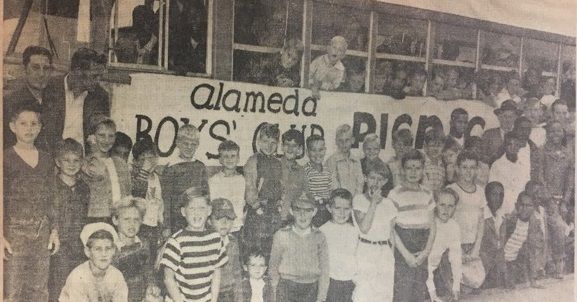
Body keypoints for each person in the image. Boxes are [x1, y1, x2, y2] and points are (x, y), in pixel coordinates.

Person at [4, 105, 59, 302]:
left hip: (41, 233)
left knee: (38, 289)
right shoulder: (5, 158)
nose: (29, 129)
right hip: (14, 234)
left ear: (40, 127)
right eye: (23, 123)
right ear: (12, 126)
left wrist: (54, 230)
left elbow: (52, 196)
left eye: (34, 124)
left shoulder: (46, 159)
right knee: (13, 289)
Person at [160, 189, 228, 302]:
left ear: (209, 210)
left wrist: (213, 300)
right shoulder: (177, 241)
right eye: (192, 208)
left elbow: (216, 273)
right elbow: (168, 278)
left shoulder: (215, 238)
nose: (197, 213)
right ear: (183, 212)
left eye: (202, 208)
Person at [388, 149, 436, 302]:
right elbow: (391, 229)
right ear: (402, 170)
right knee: (403, 291)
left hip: (422, 247)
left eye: (417, 168)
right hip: (403, 248)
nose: (413, 172)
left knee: (419, 290)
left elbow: (432, 227)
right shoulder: (394, 194)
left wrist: (425, 253)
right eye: (409, 168)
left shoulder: (427, 194)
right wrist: (406, 254)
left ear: (423, 170)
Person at [43, 47, 110, 153]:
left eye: (100, 76)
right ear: (78, 71)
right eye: (94, 76)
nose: (98, 81)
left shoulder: (100, 96)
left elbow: (102, 134)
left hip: (82, 161)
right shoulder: (49, 88)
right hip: (50, 156)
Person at [49, 139, 90, 302]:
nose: (71, 164)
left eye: (76, 160)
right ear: (58, 162)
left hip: (78, 245)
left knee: (78, 288)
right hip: (58, 247)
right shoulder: (51, 185)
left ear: (82, 162)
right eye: (66, 160)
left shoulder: (84, 188)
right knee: (58, 287)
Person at [269, 195, 330, 302]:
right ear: (291, 211)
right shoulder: (281, 235)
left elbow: (325, 270)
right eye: (298, 210)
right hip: (286, 288)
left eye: (307, 210)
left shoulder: (319, 236)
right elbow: (273, 266)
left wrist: (321, 298)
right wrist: (274, 294)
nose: (303, 215)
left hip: (311, 289)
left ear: (314, 212)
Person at [352, 162, 397, 302]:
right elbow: (364, 228)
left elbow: (391, 233)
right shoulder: (358, 199)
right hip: (365, 250)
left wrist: (391, 255)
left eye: (380, 179)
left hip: (384, 252)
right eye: (372, 178)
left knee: (384, 295)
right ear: (365, 178)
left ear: (385, 182)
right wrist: (373, 203)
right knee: (363, 294)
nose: (375, 182)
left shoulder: (389, 204)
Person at [447, 151, 488, 290]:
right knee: (456, 287)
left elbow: (481, 221)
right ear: (457, 168)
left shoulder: (480, 191)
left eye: (472, 168)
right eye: (464, 167)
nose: (468, 171)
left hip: (472, 245)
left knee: (476, 281)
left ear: (477, 170)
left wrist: (476, 248)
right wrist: (458, 249)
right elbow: (447, 222)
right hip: (455, 244)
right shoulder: (451, 190)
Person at [59, 223, 128, 302]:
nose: (104, 254)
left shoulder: (116, 276)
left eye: (108, 248)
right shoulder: (78, 277)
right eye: (98, 249)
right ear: (87, 252)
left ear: (113, 251)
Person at [82, 115, 132, 222]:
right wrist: (93, 147)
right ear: (92, 137)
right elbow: (97, 171)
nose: (106, 140)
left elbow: (128, 194)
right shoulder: (85, 163)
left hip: (120, 219)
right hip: (96, 218)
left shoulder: (121, 163)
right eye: (101, 135)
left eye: (111, 136)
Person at [243, 123, 283, 256]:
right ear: (259, 141)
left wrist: (279, 204)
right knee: (255, 244)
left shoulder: (278, 163)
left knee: (271, 243)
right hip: (257, 210)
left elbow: (281, 185)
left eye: (273, 142)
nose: (269, 146)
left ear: (277, 144)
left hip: (273, 210)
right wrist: (256, 205)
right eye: (265, 141)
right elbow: (249, 186)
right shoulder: (253, 160)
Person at [160, 124, 208, 233]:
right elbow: (166, 199)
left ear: (197, 145)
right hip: (177, 220)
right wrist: (166, 225)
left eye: (193, 144)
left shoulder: (200, 166)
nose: (189, 147)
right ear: (178, 143)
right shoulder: (171, 168)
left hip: (197, 218)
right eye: (186, 144)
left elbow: (206, 194)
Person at [3, 46, 53, 150]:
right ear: (24, 69)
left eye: (46, 68)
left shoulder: (55, 100)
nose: (41, 74)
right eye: (35, 67)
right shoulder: (9, 103)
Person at [111, 197, 159, 302]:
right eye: (126, 219)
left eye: (136, 219)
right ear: (115, 220)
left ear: (142, 221)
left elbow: (148, 270)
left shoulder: (144, 243)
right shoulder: (110, 249)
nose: (132, 224)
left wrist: (152, 285)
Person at [320, 188, 357, 302]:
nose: (342, 213)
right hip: (331, 282)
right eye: (337, 208)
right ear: (329, 208)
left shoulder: (354, 230)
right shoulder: (322, 231)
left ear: (351, 209)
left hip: (351, 282)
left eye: (346, 209)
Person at [503, 192, 546, 288]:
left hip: (515, 263)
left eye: (529, 205)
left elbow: (534, 251)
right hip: (502, 262)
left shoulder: (534, 225)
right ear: (516, 205)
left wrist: (533, 278)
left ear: (534, 208)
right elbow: (499, 246)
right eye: (522, 205)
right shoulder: (509, 221)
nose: (525, 209)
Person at [130, 135, 164, 259]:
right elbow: (136, 198)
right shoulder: (134, 178)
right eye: (144, 159)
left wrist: (161, 224)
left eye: (152, 158)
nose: (149, 163)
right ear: (135, 161)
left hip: (154, 227)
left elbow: (161, 204)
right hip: (140, 227)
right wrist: (143, 172)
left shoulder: (158, 177)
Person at [426, 188, 462, 302]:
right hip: (420, 271)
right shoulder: (428, 223)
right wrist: (432, 291)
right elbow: (425, 262)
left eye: (450, 206)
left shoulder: (454, 226)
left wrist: (456, 287)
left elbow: (456, 258)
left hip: (433, 270)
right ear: (435, 204)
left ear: (455, 208)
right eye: (442, 205)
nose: (446, 210)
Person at [489, 131, 531, 218]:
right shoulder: (497, 165)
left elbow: (527, 187)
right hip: (503, 209)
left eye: (516, 145)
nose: (513, 147)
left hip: (521, 208)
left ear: (519, 146)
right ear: (504, 146)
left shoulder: (524, 164)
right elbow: (493, 191)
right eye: (509, 144)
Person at [209, 140, 246, 237]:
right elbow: (212, 206)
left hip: (238, 228)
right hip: (220, 228)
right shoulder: (214, 180)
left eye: (233, 156)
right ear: (220, 159)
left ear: (238, 158)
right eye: (225, 156)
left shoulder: (242, 180)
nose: (230, 159)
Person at [209, 198, 243, 302]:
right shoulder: (205, 243)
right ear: (209, 220)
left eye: (229, 218)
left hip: (229, 294)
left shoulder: (233, 242)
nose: (225, 223)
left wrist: (239, 298)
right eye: (219, 218)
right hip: (209, 294)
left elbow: (237, 273)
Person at [480, 182, 509, 289]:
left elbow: (500, 247)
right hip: (482, 266)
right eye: (494, 194)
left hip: (496, 267)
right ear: (486, 196)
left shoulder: (502, 216)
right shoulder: (481, 215)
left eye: (501, 195)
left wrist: (503, 271)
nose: (498, 198)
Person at [304, 134, 336, 227]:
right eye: (313, 150)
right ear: (307, 152)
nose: (317, 154)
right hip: (313, 210)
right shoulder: (305, 171)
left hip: (326, 209)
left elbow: (330, 190)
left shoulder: (327, 170)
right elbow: (305, 193)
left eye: (321, 150)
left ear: (325, 150)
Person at [326, 124, 364, 196]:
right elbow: (333, 185)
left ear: (352, 140)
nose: (344, 144)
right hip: (339, 200)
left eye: (347, 140)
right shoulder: (331, 161)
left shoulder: (356, 161)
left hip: (354, 200)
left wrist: (356, 199)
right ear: (336, 141)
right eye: (341, 141)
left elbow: (360, 183)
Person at [279, 129, 307, 223]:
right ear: (282, 147)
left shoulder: (302, 171)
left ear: (299, 149)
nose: (290, 149)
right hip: (274, 217)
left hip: (292, 218)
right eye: (287, 144)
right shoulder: (275, 166)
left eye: (294, 146)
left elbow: (305, 195)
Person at [481, 100, 521, 164]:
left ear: (515, 118)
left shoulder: (519, 135)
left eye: (511, 117)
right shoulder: (488, 134)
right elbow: (481, 157)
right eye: (505, 116)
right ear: (499, 117)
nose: (507, 120)